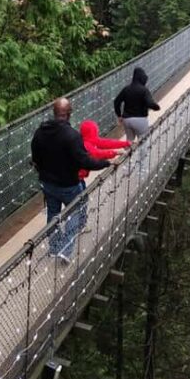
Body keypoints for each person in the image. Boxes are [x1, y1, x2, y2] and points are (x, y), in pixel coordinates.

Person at [31, 98, 111, 263]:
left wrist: (44, 172)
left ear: (54, 113)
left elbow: (35, 157)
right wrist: (106, 163)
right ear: (68, 114)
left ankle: (54, 247)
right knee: (76, 211)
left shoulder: (40, 132)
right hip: (68, 184)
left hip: (47, 183)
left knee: (53, 214)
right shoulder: (72, 136)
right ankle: (66, 250)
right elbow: (84, 161)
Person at [113, 67, 161, 141]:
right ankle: (143, 153)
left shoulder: (126, 89)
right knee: (143, 141)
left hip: (127, 119)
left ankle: (127, 152)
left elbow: (116, 101)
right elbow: (149, 103)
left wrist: (119, 115)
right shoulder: (144, 90)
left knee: (129, 141)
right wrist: (156, 107)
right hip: (140, 119)